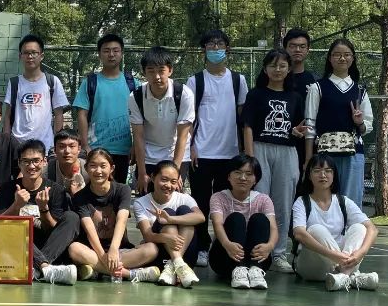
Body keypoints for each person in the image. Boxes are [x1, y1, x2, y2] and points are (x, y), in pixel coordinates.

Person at [242, 49, 308, 273]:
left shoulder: (295, 97)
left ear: (288, 69)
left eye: (282, 66)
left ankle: (278, 253)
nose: (277, 70)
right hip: (260, 149)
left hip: (287, 152)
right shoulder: (255, 94)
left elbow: (299, 128)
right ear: (265, 68)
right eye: (273, 65)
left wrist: (297, 132)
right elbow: (248, 126)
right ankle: (257, 252)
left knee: (283, 204)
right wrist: (250, 159)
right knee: (259, 201)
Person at [186, 30, 248, 267]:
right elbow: (189, 118)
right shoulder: (195, 81)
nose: (215, 48)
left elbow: (242, 117)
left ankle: (225, 246)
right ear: (204, 50)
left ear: (227, 49)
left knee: (225, 204)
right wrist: (191, 147)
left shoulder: (238, 80)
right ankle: (202, 246)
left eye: (219, 44)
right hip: (201, 153)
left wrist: (242, 150)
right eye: (210, 44)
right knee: (200, 202)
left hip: (229, 154)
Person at [0, 139, 80, 285]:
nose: (31, 166)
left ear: (44, 162)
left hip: (49, 246)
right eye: (26, 161)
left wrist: (44, 209)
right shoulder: (7, 189)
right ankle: (46, 269)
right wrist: (16, 206)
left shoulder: (56, 190)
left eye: (36, 161)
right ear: (19, 163)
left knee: (72, 217)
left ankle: (37, 268)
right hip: (18, 246)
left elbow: (55, 230)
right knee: (16, 228)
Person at [68, 149, 161, 283]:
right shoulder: (80, 197)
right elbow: (89, 229)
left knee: (152, 249)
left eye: (103, 166)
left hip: (120, 250)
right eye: (93, 166)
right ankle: (129, 274)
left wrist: (113, 250)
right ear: (86, 168)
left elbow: (121, 221)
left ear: (111, 168)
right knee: (74, 249)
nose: (98, 171)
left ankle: (97, 269)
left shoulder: (123, 190)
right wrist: (103, 256)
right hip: (93, 250)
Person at [291, 154, 380, 291]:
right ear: (309, 175)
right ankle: (352, 276)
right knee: (316, 229)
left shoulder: (343, 201)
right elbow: (299, 234)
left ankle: (343, 277)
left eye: (328, 171)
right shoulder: (301, 202)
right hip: (311, 266)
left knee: (359, 228)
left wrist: (361, 253)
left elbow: (372, 229)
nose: (323, 175)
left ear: (334, 175)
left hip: (340, 261)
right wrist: (334, 256)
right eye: (317, 170)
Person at [304, 38, 372, 205]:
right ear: (329, 58)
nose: (342, 58)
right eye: (337, 54)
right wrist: (308, 158)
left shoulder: (360, 90)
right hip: (324, 154)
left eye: (347, 54)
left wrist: (359, 123)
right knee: (324, 199)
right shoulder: (317, 88)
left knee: (352, 202)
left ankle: (350, 224)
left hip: (354, 153)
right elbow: (310, 125)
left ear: (353, 58)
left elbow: (367, 125)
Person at [128, 47, 195, 195]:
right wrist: (142, 172)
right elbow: (138, 136)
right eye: (151, 71)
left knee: (172, 199)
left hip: (176, 154)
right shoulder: (136, 96)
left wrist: (175, 172)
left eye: (161, 70)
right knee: (146, 197)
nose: (157, 76)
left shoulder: (184, 94)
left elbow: (183, 136)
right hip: (148, 155)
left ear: (170, 70)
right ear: (144, 72)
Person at [73, 34, 138, 186]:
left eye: (116, 50)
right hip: (96, 149)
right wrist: (85, 145)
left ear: (122, 53)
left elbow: (140, 117)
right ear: (99, 54)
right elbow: (82, 114)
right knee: (94, 191)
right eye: (106, 50)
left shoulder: (133, 83)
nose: (111, 54)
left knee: (118, 191)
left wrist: (135, 145)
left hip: (123, 149)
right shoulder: (90, 82)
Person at [208, 154, 278, 290]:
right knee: (236, 218)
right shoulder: (218, 197)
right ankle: (238, 270)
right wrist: (227, 244)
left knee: (260, 219)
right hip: (224, 256)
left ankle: (256, 271)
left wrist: (270, 246)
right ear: (229, 176)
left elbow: (273, 227)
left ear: (255, 179)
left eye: (248, 174)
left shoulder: (264, 199)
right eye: (237, 172)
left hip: (256, 258)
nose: (243, 178)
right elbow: (217, 224)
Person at [132, 161, 204, 288]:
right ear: (153, 177)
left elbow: (200, 217)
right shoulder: (141, 203)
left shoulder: (184, 198)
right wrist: (166, 238)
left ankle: (174, 263)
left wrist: (170, 219)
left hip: (186, 256)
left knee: (184, 211)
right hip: (160, 257)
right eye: (164, 180)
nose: (168, 185)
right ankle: (177, 263)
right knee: (168, 212)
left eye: (173, 181)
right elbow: (148, 235)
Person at [3, 34, 68, 153]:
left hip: (45, 146)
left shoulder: (52, 81)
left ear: (41, 56)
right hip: (18, 146)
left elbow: (59, 114)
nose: (30, 56)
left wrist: (56, 143)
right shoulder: (14, 83)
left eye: (34, 53)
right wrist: (6, 142)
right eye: (26, 53)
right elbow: (7, 115)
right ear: (20, 56)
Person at [284, 28, 318, 177]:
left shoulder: (315, 81)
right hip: (281, 142)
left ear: (308, 50)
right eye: (292, 46)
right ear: (285, 48)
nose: (297, 50)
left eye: (302, 46)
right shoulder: (276, 79)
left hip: (308, 143)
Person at [47, 129, 87, 194]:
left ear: (79, 149)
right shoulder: (47, 171)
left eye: (72, 146)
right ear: (55, 150)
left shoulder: (88, 170)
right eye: (61, 146)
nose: (67, 151)